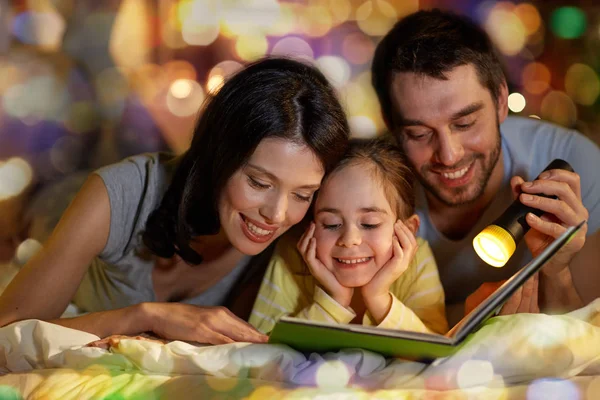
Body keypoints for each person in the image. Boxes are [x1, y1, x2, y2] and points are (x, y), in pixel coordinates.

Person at [0, 57, 351, 344]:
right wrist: (143, 316)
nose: (276, 214)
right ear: (218, 156)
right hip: (53, 202)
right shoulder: (115, 194)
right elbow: (8, 335)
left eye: (302, 194)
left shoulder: (297, 232)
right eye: (259, 182)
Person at [371, 9, 600, 324]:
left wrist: (555, 270)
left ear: (501, 100)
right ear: (390, 125)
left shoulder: (575, 165)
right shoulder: (367, 185)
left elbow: (586, 337)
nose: (449, 156)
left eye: (465, 123)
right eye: (419, 134)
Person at [250, 138, 448, 335]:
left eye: (370, 224)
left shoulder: (417, 259)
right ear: (308, 227)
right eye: (331, 224)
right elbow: (258, 351)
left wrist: (379, 299)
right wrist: (333, 303)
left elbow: (435, 352)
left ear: (409, 230)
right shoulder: (290, 256)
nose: (349, 239)